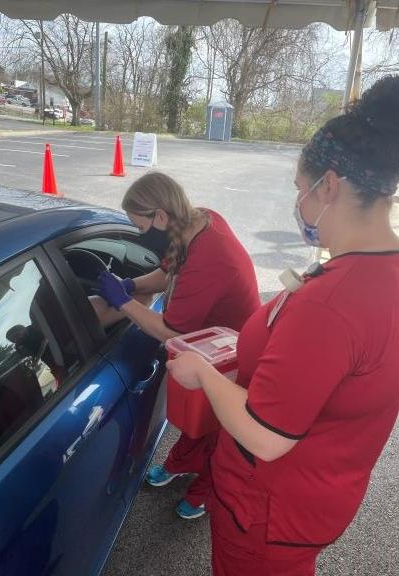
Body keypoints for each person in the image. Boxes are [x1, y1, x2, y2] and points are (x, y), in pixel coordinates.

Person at [166, 75, 399, 575]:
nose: (299, 201)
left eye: (301, 188)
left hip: (268, 510)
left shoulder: (333, 302)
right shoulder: (383, 269)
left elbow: (267, 437)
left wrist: (203, 373)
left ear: (329, 185)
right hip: (321, 494)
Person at [97, 171, 261, 519]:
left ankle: (205, 492)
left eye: (141, 228)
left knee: (220, 428)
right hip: (208, 342)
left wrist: (123, 302)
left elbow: (170, 331)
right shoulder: (194, 221)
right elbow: (167, 272)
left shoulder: (210, 255)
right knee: (197, 419)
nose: (142, 236)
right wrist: (129, 284)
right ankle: (182, 462)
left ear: (160, 216)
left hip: (232, 351)